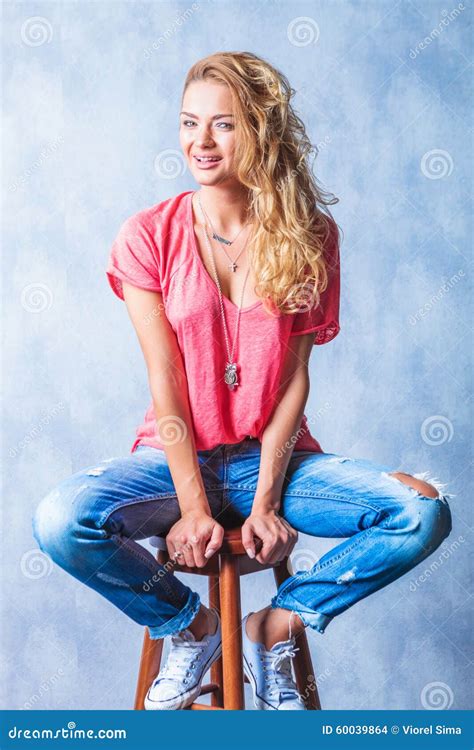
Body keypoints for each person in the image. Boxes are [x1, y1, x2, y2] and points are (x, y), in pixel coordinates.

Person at [32, 51, 454, 711]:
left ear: (261, 129)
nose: (199, 142)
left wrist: (264, 505)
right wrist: (193, 505)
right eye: (188, 122)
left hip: (277, 462)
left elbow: (292, 387)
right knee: (61, 520)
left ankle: (275, 625)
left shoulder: (311, 236)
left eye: (222, 125)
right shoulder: (148, 236)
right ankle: (191, 628)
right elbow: (165, 378)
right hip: (175, 462)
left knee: (424, 510)